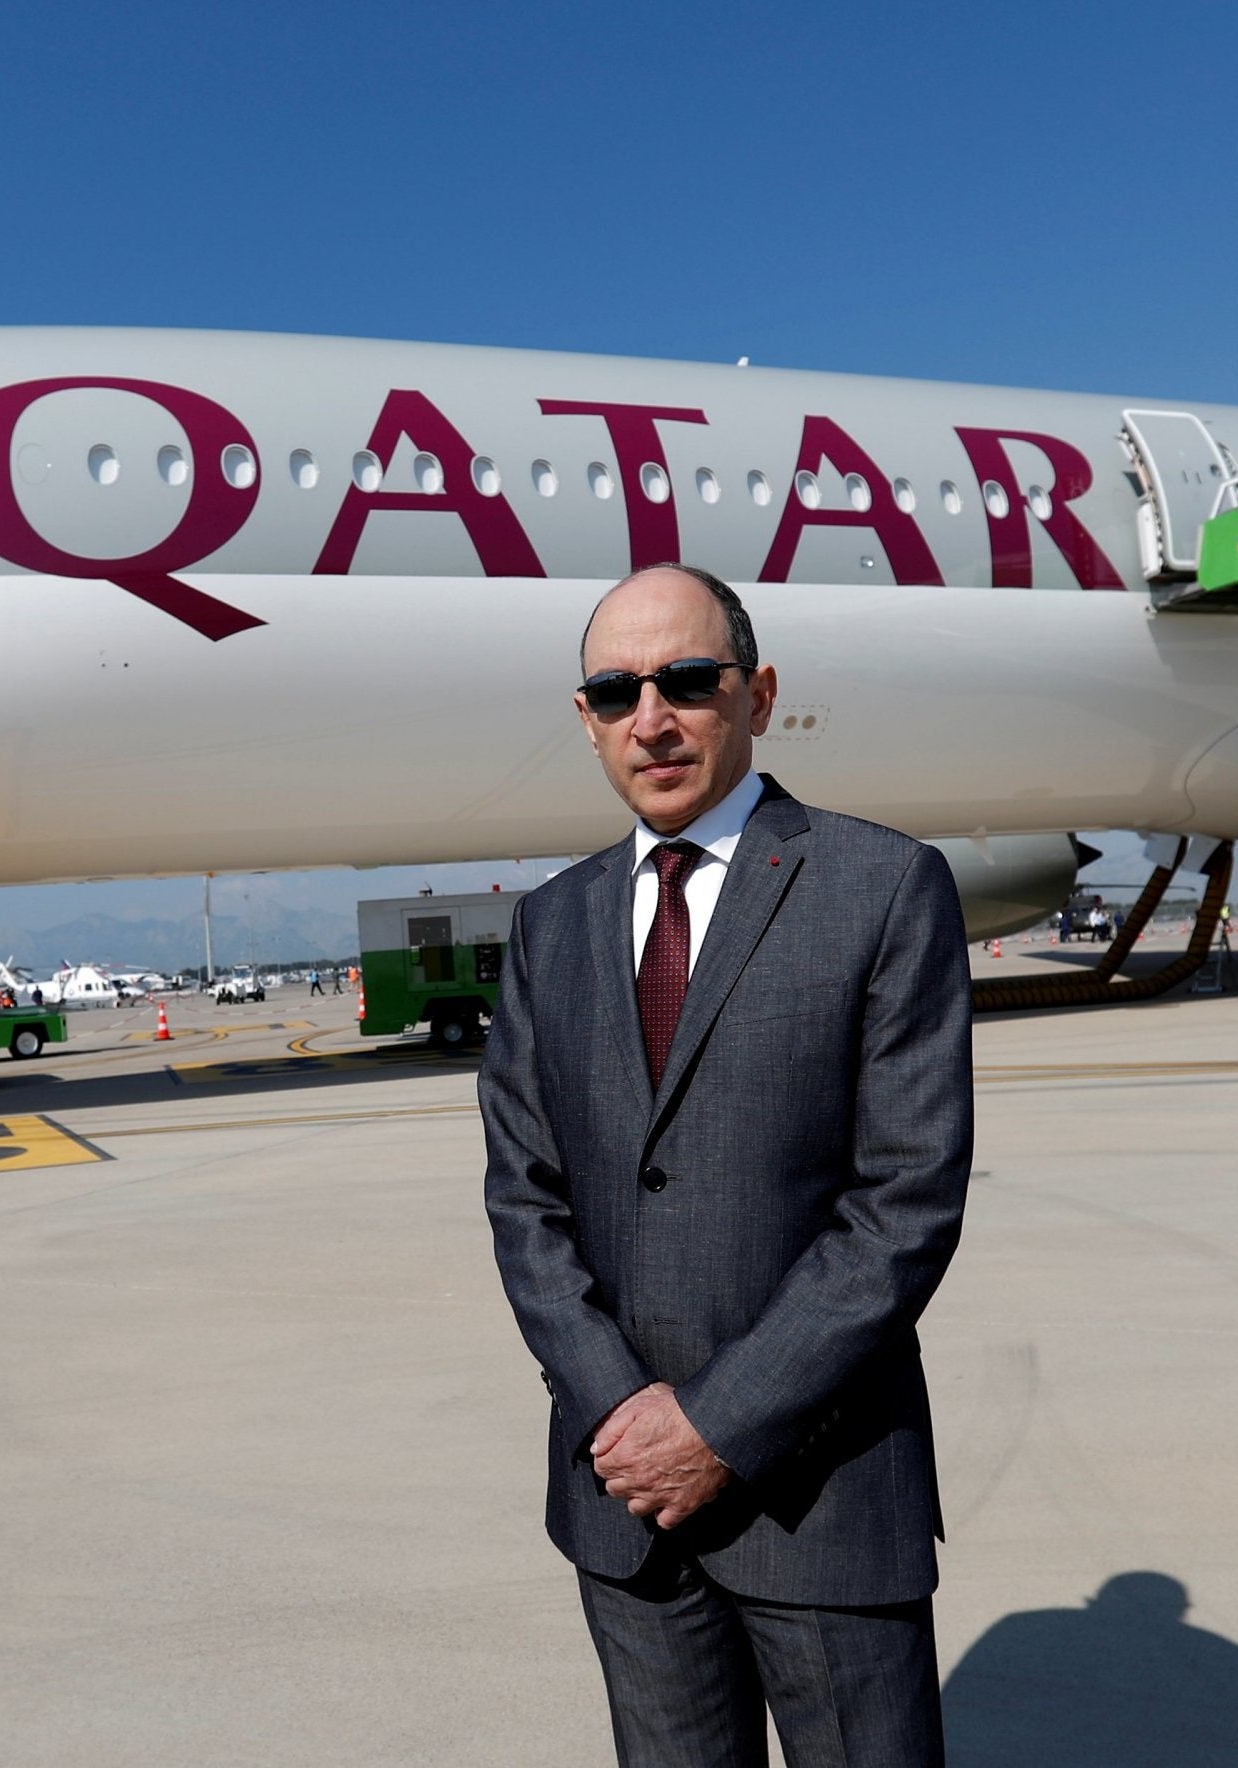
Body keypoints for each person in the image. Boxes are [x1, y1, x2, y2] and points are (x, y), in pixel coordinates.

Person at [482, 564, 972, 1766]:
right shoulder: (549, 925)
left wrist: (717, 1422)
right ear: (586, 718)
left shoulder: (880, 887)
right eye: (614, 691)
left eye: (685, 681)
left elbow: (901, 1204)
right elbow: (523, 1201)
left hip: (822, 1495)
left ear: (754, 694)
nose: (651, 718)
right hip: (623, 1506)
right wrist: (621, 1415)